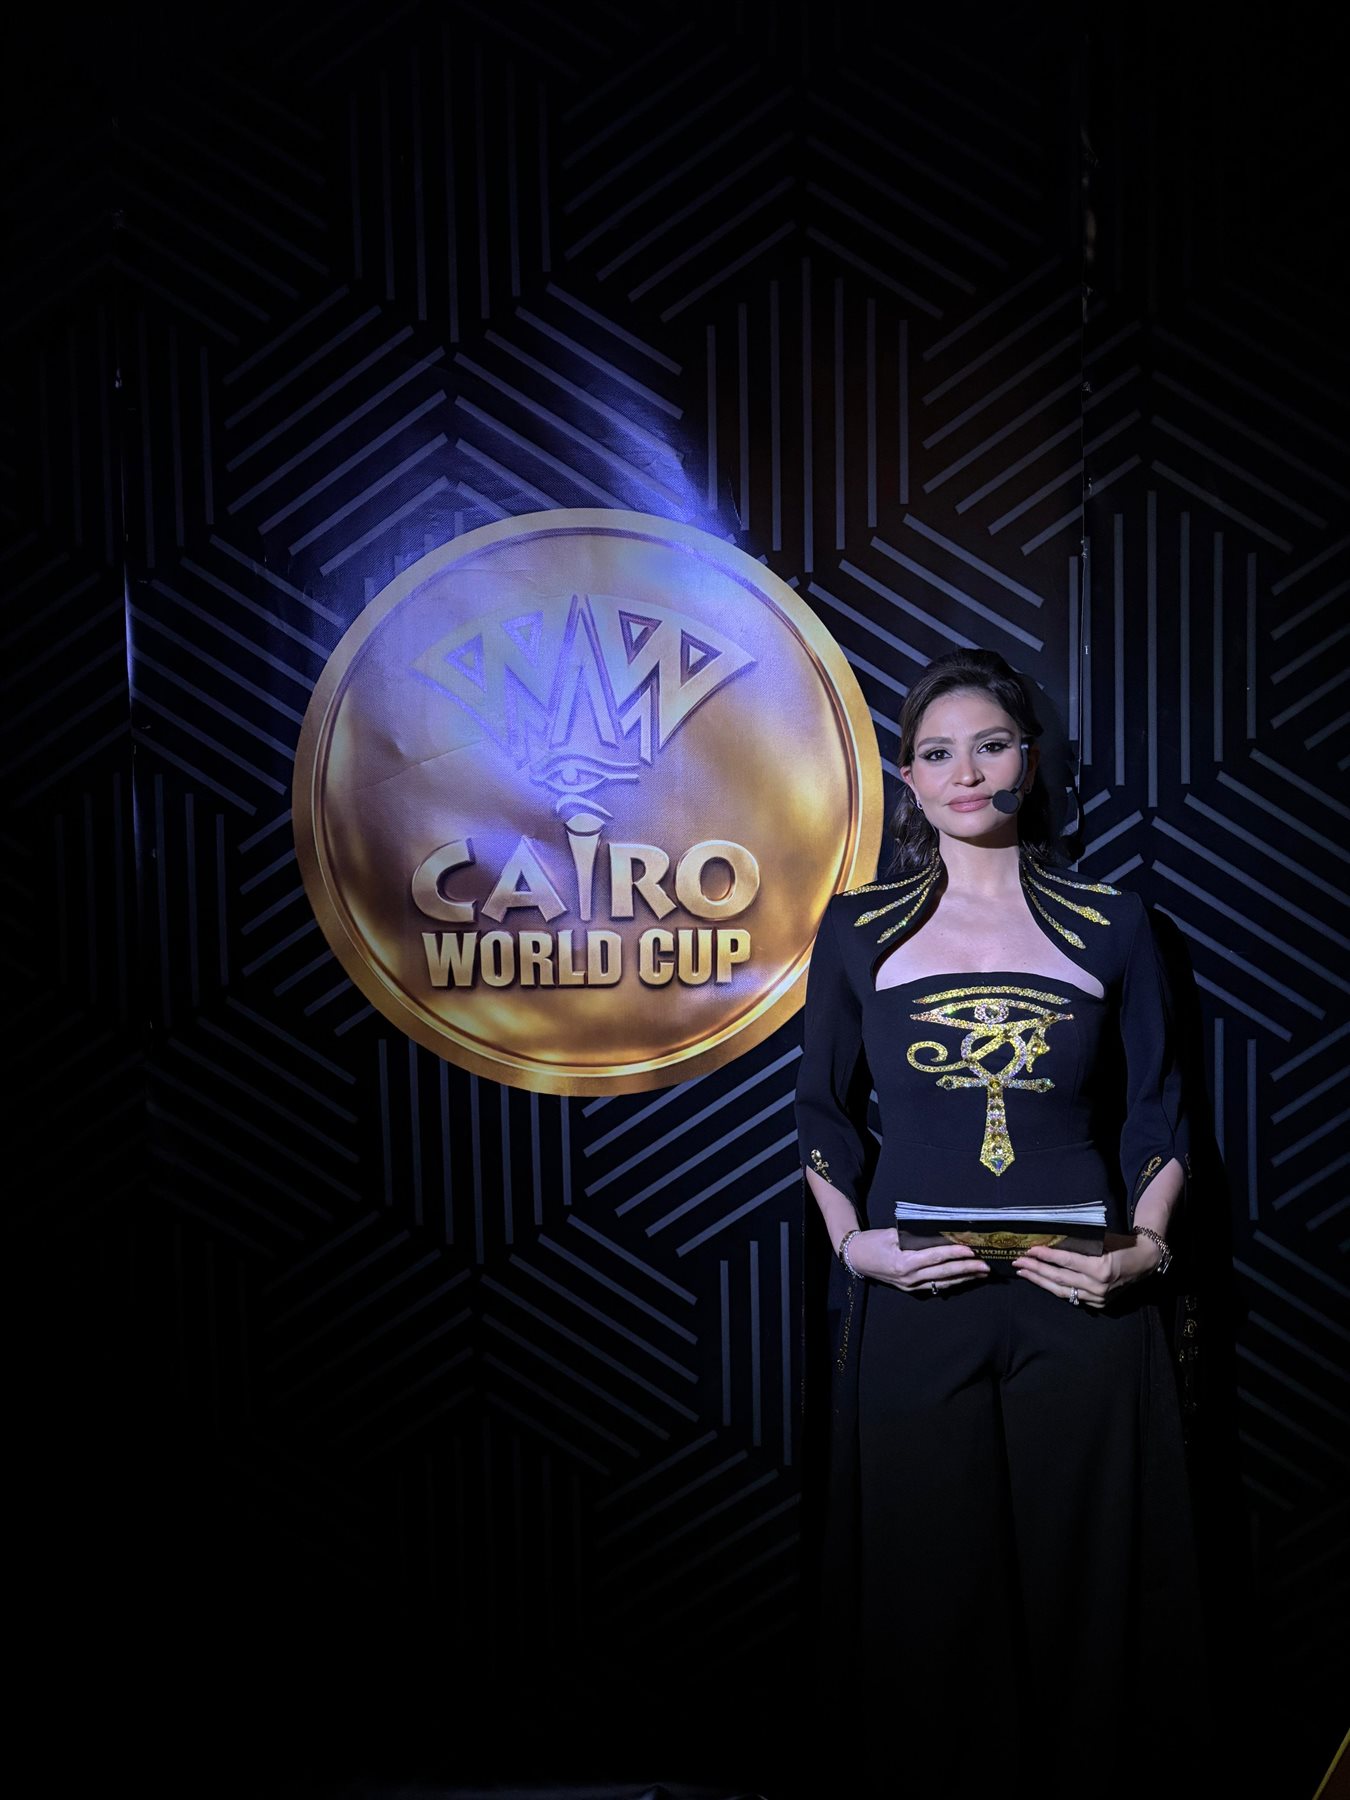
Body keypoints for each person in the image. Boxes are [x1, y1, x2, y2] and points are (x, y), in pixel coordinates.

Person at [795, 648, 1211, 1800]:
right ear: (910, 781)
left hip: (1084, 1296)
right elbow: (822, 1112)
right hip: (914, 1294)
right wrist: (853, 1248)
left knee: (1093, 1583)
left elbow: (1161, 1110)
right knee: (926, 1588)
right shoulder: (858, 927)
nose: (966, 772)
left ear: (1029, 761)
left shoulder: (1114, 922)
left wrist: (1148, 1248)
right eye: (938, 754)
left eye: (989, 746)